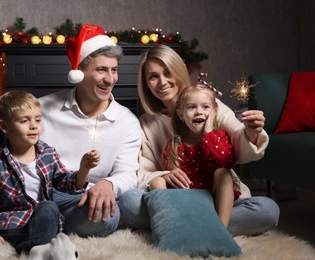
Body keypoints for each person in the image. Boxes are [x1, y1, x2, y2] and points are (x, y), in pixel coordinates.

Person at [0, 24, 142, 237]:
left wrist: (108, 184)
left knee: (107, 217)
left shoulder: (127, 122)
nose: (110, 79)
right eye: (101, 69)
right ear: (80, 72)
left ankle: (31, 225)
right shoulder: (43, 108)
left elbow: (128, 173)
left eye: (114, 70)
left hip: (80, 198)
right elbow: (13, 141)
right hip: (37, 191)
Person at [119, 44, 280, 236]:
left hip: (220, 199)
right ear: (146, 83)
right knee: (129, 201)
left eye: (167, 73)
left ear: (179, 72)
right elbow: (144, 173)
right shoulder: (147, 123)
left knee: (268, 210)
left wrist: (252, 132)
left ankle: (184, 226)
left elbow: (238, 141)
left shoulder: (209, 105)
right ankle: (204, 226)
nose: (162, 82)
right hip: (178, 199)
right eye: (153, 76)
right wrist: (162, 175)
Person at [0, 90, 100, 254]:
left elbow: (67, 184)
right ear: (4, 126)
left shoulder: (48, 153)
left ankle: (35, 250)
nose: (33, 126)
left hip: (44, 221)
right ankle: (41, 249)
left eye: (38, 120)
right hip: (13, 227)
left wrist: (84, 168)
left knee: (48, 207)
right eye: (24, 121)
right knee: (50, 215)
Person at [150, 82, 242, 227]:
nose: (199, 112)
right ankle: (173, 223)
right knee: (156, 181)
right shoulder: (174, 144)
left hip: (214, 199)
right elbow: (171, 178)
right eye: (191, 107)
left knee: (224, 173)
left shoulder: (219, 137)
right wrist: (168, 175)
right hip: (185, 202)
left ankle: (220, 228)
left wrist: (208, 134)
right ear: (181, 114)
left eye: (205, 107)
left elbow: (226, 162)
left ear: (214, 111)